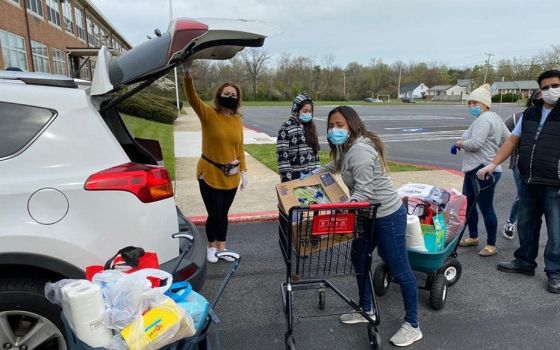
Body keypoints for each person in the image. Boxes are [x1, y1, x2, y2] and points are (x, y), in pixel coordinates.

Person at [314, 106, 422, 347]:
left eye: (339, 125)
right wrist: (314, 173)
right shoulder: (350, 146)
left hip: (386, 215)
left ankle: (413, 325)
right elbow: (337, 165)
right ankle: (366, 308)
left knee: (400, 268)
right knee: (359, 257)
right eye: (331, 125)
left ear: (352, 124)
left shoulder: (360, 150)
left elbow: (364, 191)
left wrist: (339, 208)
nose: (334, 130)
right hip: (367, 213)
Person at [477, 69, 560, 294]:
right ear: (540, 92)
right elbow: (512, 140)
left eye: (555, 85)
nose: (551, 91)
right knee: (526, 225)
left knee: (556, 232)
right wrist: (493, 164)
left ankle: (555, 272)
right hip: (528, 181)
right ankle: (524, 262)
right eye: (545, 87)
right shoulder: (531, 114)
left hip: (555, 185)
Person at [182, 61, 248, 263]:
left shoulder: (237, 120)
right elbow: (193, 99)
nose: (230, 96)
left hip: (231, 176)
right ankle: (210, 247)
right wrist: (187, 73)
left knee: (224, 214)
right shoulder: (209, 115)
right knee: (215, 213)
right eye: (226, 93)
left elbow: (239, 148)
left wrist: (243, 171)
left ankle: (221, 248)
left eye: (233, 94)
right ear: (219, 96)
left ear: (237, 99)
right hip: (210, 173)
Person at [454, 84, 510, 257]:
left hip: (482, 170)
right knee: (469, 204)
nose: (471, 106)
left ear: (484, 104)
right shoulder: (495, 118)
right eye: (469, 103)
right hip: (476, 168)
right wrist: (493, 150)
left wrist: (460, 144)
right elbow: (507, 139)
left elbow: (475, 143)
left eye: (474, 103)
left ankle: (491, 244)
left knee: (486, 208)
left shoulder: (484, 120)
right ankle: (473, 237)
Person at [502, 90, 541, 240]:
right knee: (523, 195)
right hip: (521, 164)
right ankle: (511, 222)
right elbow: (504, 136)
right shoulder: (517, 118)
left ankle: (530, 225)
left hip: (544, 166)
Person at [276, 93, 320, 182]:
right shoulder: (285, 129)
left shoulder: (311, 128)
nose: (308, 113)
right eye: (305, 111)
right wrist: (287, 181)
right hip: (295, 179)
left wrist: (317, 174)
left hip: (312, 177)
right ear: (296, 110)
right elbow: (282, 158)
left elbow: (316, 154)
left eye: (310, 111)